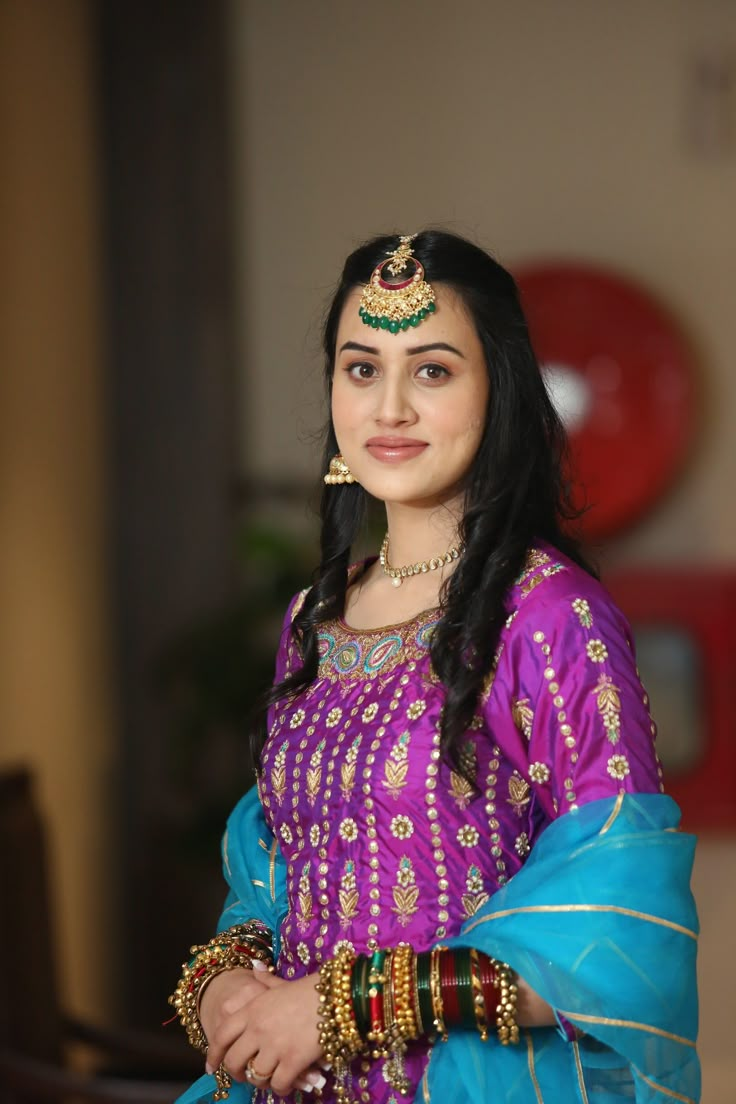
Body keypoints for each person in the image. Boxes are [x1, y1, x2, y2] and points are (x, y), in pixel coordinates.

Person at [170, 231, 700, 1104]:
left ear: (499, 392)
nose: (389, 409)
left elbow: (618, 941)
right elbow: (270, 878)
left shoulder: (546, 615)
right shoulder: (313, 620)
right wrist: (227, 982)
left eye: (432, 370)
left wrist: (340, 1010)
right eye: (362, 368)